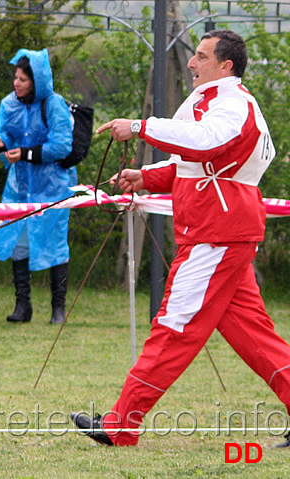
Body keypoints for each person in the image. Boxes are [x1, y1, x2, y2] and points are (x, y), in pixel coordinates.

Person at [72, 30, 290, 448]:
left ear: (226, 66)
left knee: (174, 326)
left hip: (216, 234)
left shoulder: (233, 105)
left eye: (202, 57)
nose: (192, 63)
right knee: (254, 334)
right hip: (220, 231)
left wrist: (139, 127)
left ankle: (121, 424)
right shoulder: (213, 102)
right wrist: (146, 177)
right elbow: (193, 163)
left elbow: (208, 143)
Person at [0, 48, 76, 324]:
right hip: (19, 187)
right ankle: (22, 306)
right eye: (16, 77)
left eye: (23, 79)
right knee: (18, 243)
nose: (17, 83)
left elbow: (62, 145)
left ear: (36, 81)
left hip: (54, 188)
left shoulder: (54, 104)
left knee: (55, 243)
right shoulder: (8, 104)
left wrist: (24, 153)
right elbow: (3, 133)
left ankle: (58, 309)